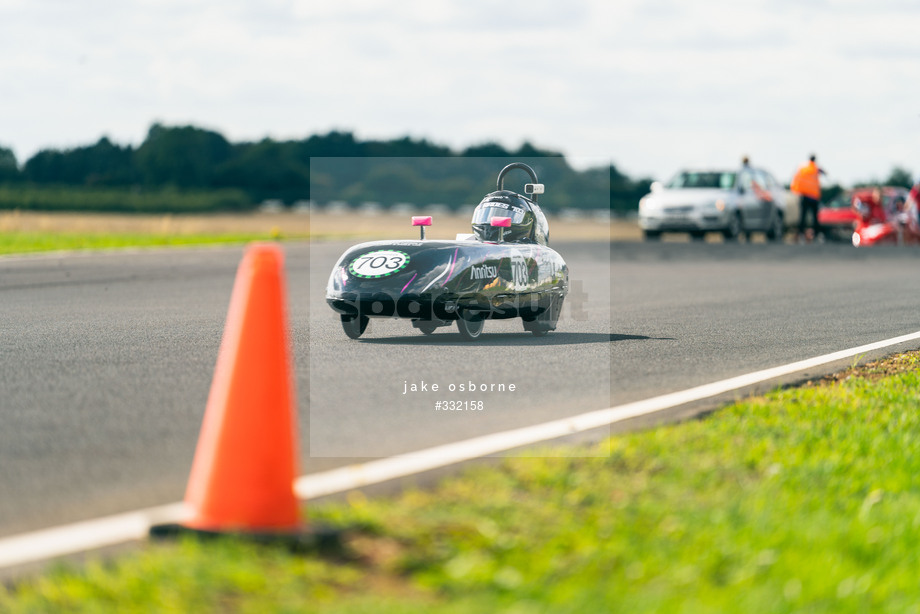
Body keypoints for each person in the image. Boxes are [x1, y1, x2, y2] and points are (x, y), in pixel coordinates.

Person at [790, 154, 826, 242]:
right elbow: (824, 173)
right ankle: (817, 235)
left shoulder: (803, 168)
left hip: (805, 196)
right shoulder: (816, 168)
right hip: (813, 197)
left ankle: (801, 234)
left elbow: (796, 178)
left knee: (802, 217)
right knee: (815, 218)